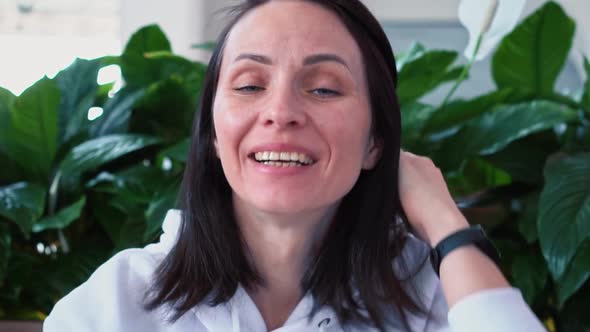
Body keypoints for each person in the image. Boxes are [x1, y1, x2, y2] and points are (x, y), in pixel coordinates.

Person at [44, 0, 547, 331]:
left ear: (376, 143)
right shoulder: (117, 303)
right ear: (214, 135)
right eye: (249, 85)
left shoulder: (434, 304)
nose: (280, 112)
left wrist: (444, 223)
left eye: (324, 88)